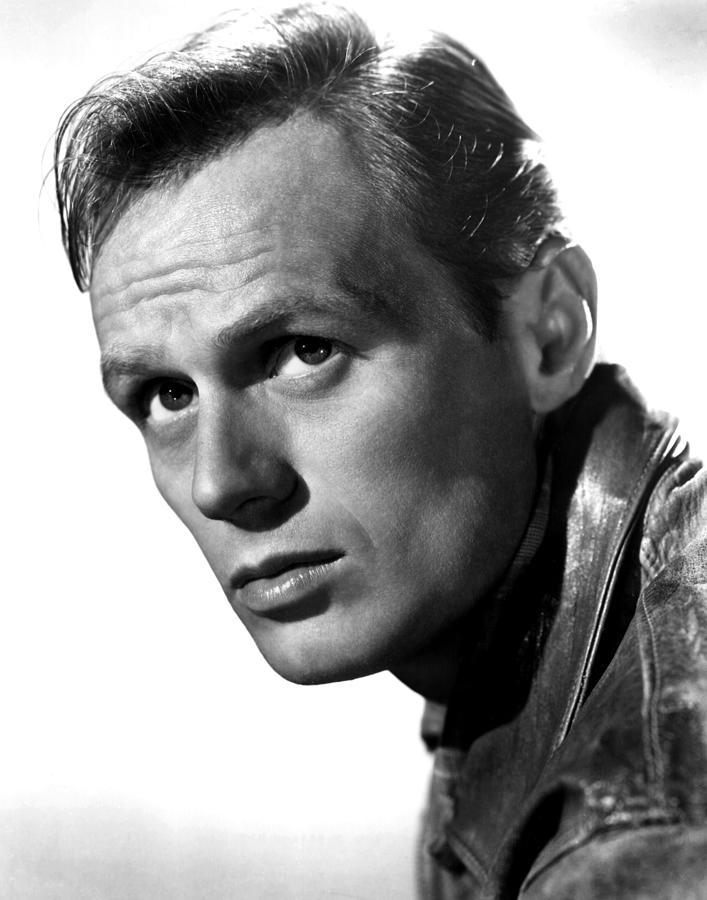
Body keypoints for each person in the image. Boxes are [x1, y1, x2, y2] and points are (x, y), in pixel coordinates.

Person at [53, 4, 707, 897]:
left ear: (547, 333)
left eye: (301, 352)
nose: (220, 481)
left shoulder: (639, 832)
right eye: (167, 395)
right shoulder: (522, 672)